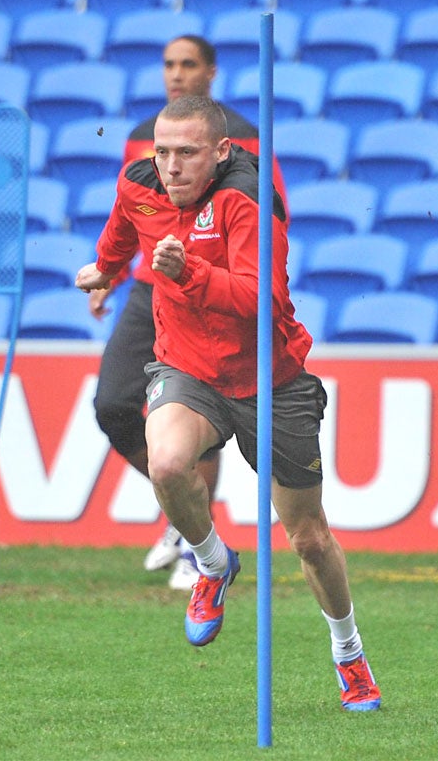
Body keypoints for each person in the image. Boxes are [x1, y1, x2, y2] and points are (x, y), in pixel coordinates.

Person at [75, 95, 381, 711]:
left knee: (309, 539)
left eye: (186, 153)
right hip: (187, 367)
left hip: (272, 377)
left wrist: (188, 273)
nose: (171, 166)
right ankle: (213, 564)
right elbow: (121, 230)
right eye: (162, 152)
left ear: (220, 152)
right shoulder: (139, 183)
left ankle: (349, 654)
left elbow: (261, 299)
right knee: (166, 463)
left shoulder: (247, 199)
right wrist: (106, 271)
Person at [88, 35, 286, 591]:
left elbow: (271, 215)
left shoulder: (244, 134)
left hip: (211, 294)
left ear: (211, 72)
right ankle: (186, 521)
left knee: (196, 423)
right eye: (168, 64)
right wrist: (110, 273)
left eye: (188, 64)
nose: (176, 74)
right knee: (113, 404)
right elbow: (130, 215)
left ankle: (196, 548)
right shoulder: (140, 138)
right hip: (151, 289)